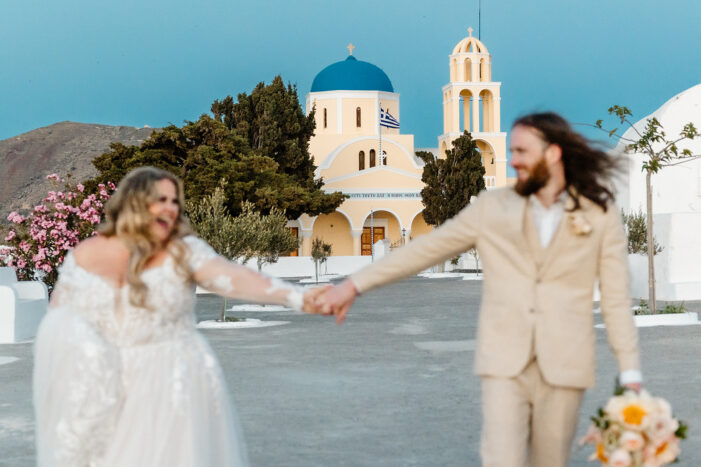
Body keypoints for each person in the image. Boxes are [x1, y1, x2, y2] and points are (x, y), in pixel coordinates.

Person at [315, 112, 642, 467]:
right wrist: (353, 285)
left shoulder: (597, 213)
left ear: (553, 153)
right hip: (504, 363)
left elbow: (615, 299)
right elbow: (425, 249)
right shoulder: (493, 207)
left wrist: (631, 373)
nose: (512, 159)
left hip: (566, 365)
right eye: (512, 151)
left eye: (521, 150)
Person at [33, 167, 324, 467]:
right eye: (162, 199)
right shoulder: (84, 254)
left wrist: (297, 297)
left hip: (171, 383)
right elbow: (58, 320)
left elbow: (233, 277)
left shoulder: (182, 251)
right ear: (135, 202)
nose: (171, 208)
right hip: (105, 389)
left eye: (175, 201)